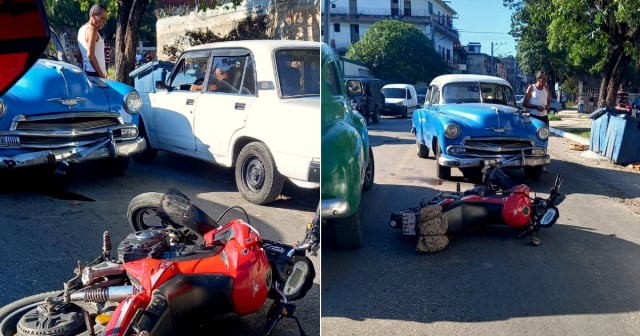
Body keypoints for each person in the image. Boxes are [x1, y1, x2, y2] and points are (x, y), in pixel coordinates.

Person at [77, 4, 108, 78]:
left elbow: (79, 56)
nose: (104, 22)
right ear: (93, 15)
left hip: (87, 72)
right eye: (102, 18)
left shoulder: (81, 30)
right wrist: (102, 76)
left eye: (105, 19)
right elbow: (90, 55)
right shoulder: (92, 30)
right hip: (95, 74)